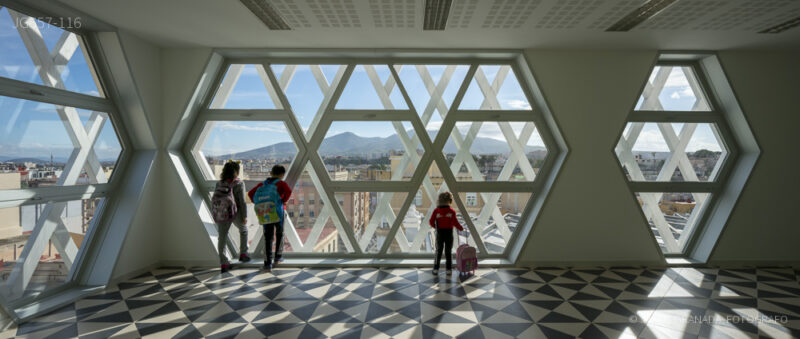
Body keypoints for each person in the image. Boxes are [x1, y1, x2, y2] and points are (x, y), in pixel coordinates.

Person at [249, 165, 292, 272]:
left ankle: (267, 263)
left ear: (271, 173)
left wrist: (259, 203)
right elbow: (289, 192)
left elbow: (250, 194)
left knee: (268, 237)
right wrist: (283, 200)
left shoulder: (262, 184)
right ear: (282, 174)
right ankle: (278, 257)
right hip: (278, 212)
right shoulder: (281, 183)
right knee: (280, 233)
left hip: (265, 213)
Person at [215, 161, 250, 273]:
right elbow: (243, 201)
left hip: (222, 212)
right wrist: (244, 215)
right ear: (237, 171)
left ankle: (224, 263)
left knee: (222, 237)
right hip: (236, 211)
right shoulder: (239, 183)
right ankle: (243, 254)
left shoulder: (220, 183)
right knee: (243, 230)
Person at [429, 192, 464, 275]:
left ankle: (436, 269)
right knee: (448, 251)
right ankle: (448, 269)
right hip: (449, 233)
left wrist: (436, 227)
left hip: (440, 233)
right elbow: (455, 222)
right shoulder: (451, 211)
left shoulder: (436, 211)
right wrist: (461, 228)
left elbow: (431, 222)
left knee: (438, 251)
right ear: (449, 201)